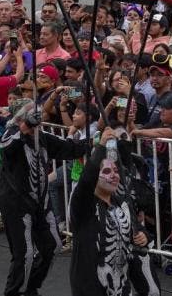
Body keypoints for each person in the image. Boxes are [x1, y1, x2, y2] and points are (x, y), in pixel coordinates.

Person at [0, 103, 90, 296]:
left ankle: (30, 287)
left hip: (41, 203)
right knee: (25, 254)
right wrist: (25, 127)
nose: (38, 120)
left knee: (53, 245)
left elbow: (70, 148)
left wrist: (95, 141)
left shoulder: (43, 138)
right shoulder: (12, 133)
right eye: (34, 116)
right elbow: (6, 145)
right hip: (16, 204)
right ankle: (14, 292)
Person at [69, 127, 159, 296]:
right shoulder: (83, 206)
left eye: (116, 172)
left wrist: (144, 236)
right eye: (107, 171)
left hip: (122, 287)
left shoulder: (122, 203)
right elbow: (86, 180)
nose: (114, 175)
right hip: (91, 287)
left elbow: (139, 231)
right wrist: (101, 147)